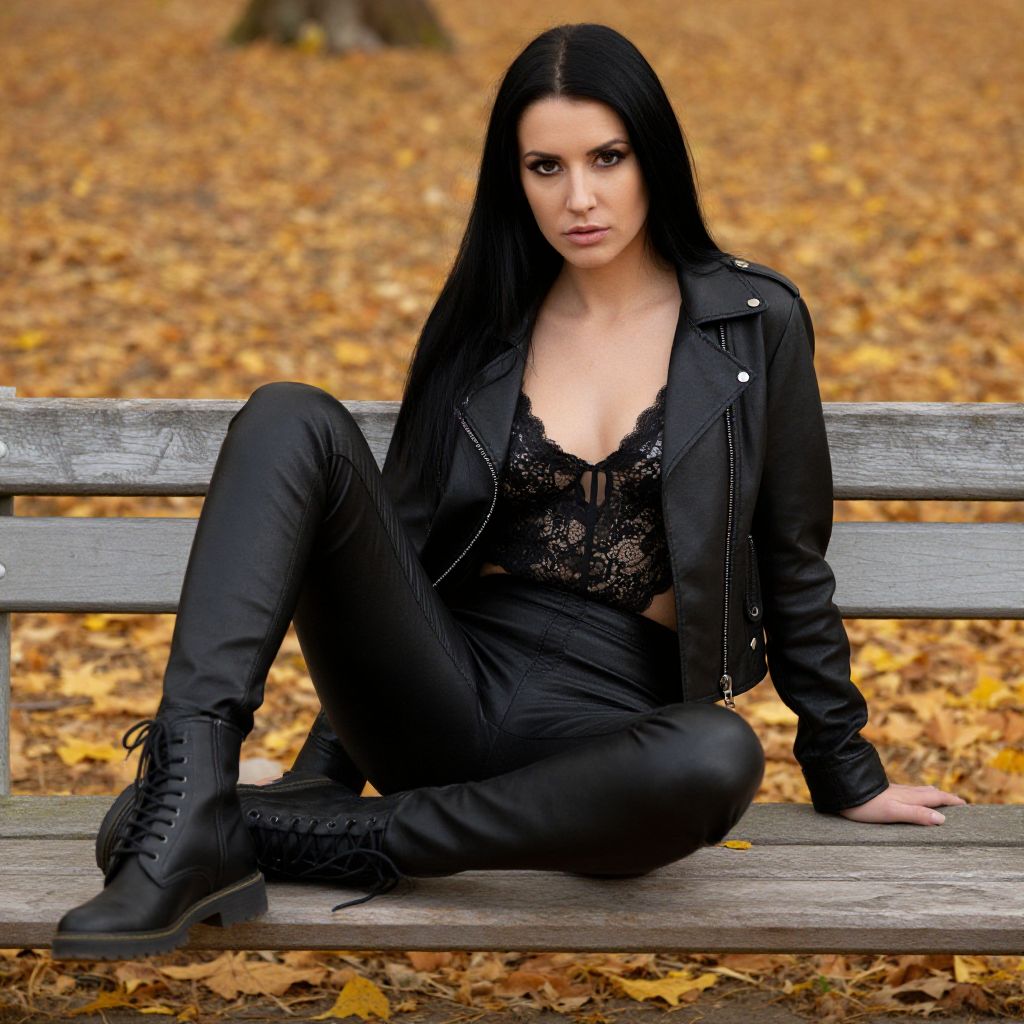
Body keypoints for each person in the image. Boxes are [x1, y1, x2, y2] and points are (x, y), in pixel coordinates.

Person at [53, 22, 965, 961]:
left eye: (607, 158)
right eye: (545, 167)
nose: (580, 198)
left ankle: (280, 836)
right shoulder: (484, 326)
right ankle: (191, 791)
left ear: (653, 154)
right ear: (513, 177)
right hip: (444, 685)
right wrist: (322, 770)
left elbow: (791, 555)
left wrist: (843, 766)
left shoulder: (753, 323)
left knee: (719, 755)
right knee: (290, 413)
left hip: (609, 738)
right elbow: (394, 554)